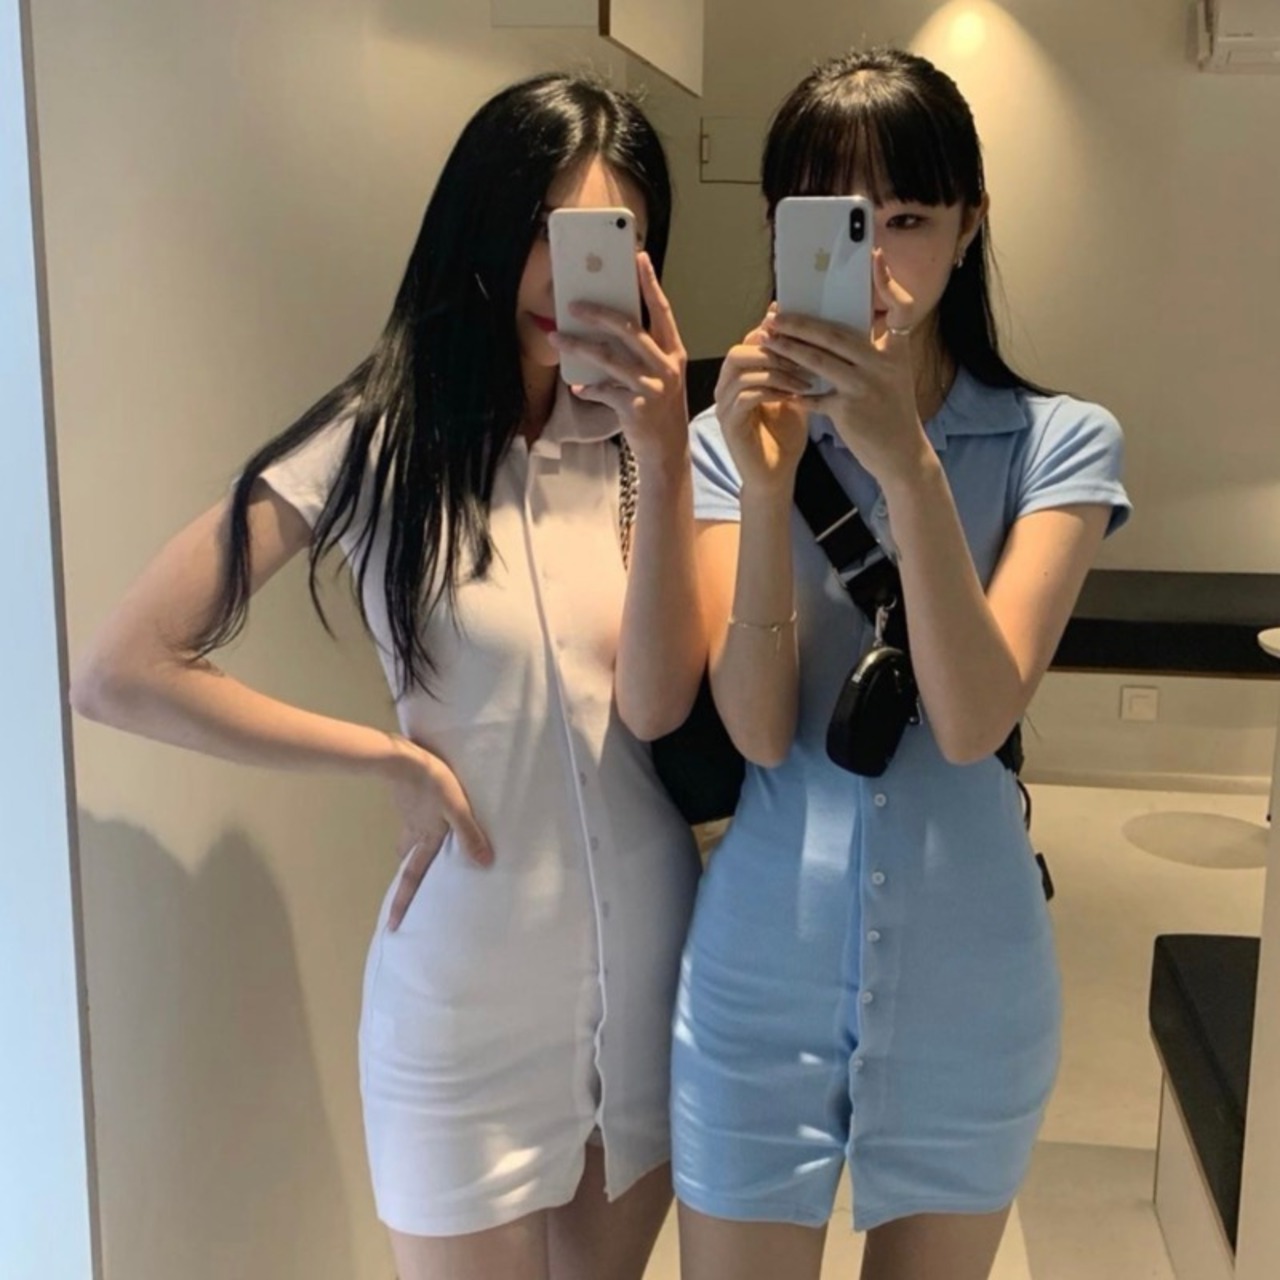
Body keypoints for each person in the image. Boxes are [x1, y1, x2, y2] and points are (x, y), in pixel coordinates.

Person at [71, 72, 705, 1280]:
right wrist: (382, 758)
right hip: (461, 1007)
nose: (559, 274)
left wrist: (668, 457)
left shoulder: (644, 448)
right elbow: (123, 666)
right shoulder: (379, 437)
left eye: (602, 240)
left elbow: (656, 702)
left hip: (647, 987)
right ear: (480, 224)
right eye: (538, 228)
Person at [670, 47, 1131, 1280]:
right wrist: (764, 492)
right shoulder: (726, 440)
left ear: (970, 224)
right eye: (836, 220)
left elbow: (973, 718)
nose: (876, 255)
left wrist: (906, 466)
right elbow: (755, 729)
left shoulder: (1058, 444)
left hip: (970, 988)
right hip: (756, 979)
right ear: (778, 230)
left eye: (910, 218)